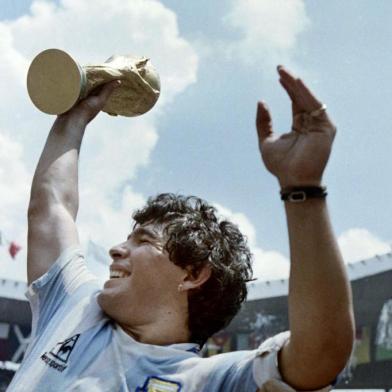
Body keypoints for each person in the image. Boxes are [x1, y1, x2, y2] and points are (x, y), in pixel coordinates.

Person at [8, 65, 354, 391]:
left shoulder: (207, 380)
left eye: (144, 240)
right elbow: (51, 207)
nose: (116, 250)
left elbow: (321, 354)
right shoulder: (72, 306)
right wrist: (75, 115)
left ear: (192, 274)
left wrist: (303, 189)